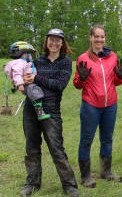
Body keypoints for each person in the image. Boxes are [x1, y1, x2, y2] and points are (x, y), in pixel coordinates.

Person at [20, 28, 79, 196]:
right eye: (51, 39)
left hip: (51, 111)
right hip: (31, 108)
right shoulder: (37, 61)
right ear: (46, 42)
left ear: (62, 43)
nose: (54, 43)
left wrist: (36, 78)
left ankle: (70, 186)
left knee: (56, 148)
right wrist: (22, 81)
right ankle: (32, 183)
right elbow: (27, 84)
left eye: (58, 40)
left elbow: (59, 85)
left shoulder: (66, 62)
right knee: (31, 147)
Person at [73, 24, 122, 188]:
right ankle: (86, 176)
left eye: (102, 37)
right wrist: (81, 78)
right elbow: (77, 84)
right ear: (91, 38)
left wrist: (121, 76)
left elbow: (116, 82)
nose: (99, 39)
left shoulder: (112, 57)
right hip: (91, 105)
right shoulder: (83, 58)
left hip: (110, 105)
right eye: (96, 36)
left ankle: (106, 172)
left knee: (107, 140)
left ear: (105, 38)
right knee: (86, 140)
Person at [4, 41, 50, 120]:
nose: (31, 56)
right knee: (36, 92)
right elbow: (17, 74)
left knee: (37, 92)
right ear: (24, 54)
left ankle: (38, 109)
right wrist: (20, 84)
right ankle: (40, 113)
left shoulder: (23, 62)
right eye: (30, 54)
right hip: (27, 85)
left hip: (28, 84)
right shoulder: (20, 63)